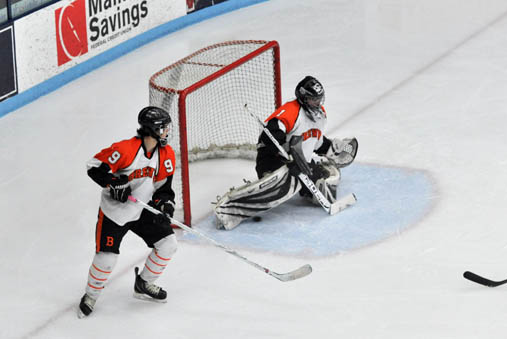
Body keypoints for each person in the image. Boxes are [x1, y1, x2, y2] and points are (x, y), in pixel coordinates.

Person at [213, 76, 358, 230]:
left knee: (328, 183)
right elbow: (269, 135)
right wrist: (287, 152)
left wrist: (333, 148)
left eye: (319, 99)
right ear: (303, 97)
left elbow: (316, 142)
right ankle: (229, 209)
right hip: (273, 160)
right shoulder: (291, 110)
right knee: (283, 185)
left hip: (301, 165)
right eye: (313, 99)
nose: (317, 103)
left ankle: (305, 187)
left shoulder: (320, 115)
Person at [78, 106, 179, 318]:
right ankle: (91, 294)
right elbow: (94, 166)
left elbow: (164, 189)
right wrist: (114, 183)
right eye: (164, 128)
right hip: (114, 212)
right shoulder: (125, 150)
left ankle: (144, 283)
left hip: (142, 208)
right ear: (152, 130)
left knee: (168, 244)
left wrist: (165, 204)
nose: (167, 132)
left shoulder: (166, 154)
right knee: (106, 259)